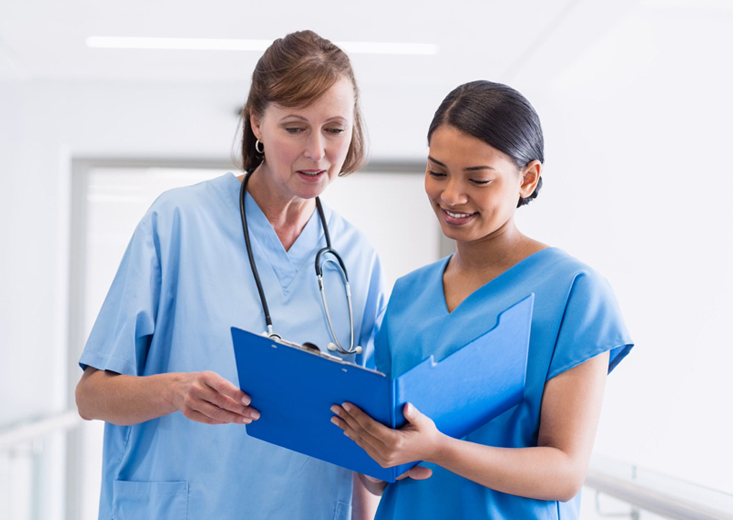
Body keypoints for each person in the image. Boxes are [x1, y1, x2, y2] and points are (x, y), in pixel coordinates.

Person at [75, 30, 385, 520]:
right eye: (294, 128)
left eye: (334, 128)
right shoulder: (177, 222)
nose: (317, 152)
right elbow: (91, 396)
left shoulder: (356, 259)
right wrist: (175, 391)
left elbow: (358, 433)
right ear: (256, 123)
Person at [331, 80, 634, 519]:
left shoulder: (574, 291)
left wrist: (439, 449)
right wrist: (367, 442)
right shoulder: (407, 295)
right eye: (437, 172)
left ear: (527, 179)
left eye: (478, 179)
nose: (451, 196)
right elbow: (379, 474)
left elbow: (565, 470)